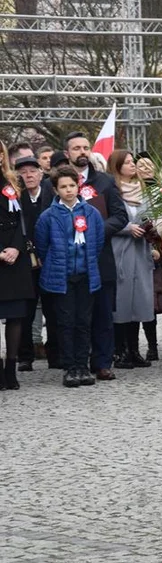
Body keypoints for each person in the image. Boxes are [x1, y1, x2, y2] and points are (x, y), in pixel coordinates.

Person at [38, 133, 127, 381]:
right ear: (67, 153)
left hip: (96, 261)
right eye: (76, 148)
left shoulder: (106, 182)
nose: (82, 151)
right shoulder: (49, 191)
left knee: (97, 317)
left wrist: (89, 235)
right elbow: (43, 235)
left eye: (86, 147)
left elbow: (118, 218)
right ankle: (71, 365)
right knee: (67, 319)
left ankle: (98, 363)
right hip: (63, 268)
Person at [35, 166, 105, 388]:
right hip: (61, 278)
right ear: (56, 189)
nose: (68, 190)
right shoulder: (48, 216)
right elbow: (42, 246)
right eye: (63, 187)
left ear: (79, 186)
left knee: (84, 322)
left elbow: (98, 242)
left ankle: (83, 365)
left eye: (72, 185)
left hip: (85, 275)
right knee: (66, 323)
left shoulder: (91, 213)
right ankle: (69, 367)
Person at [107, 149, 156, 371]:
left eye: (131, 161)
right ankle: (120, 350)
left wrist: (151, 227)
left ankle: (135, 349)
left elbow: (151, 215)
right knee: (122, 301)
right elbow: (107, 220)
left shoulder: (143, 188)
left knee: (139, 301)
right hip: (121, 251)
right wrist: (127, 228)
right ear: (117, 166)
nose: (132, 165)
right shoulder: (112, 189)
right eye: (127, 162)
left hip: (141, 250)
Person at [0, 146, 36, 391]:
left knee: (15, 316)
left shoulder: (15, 182)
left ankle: (11, 368)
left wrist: (15, 247)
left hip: (16, 255)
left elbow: (27, 220)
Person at [15, 156, 51, 373]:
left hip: (49, 258)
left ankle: (56, 353)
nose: (28, 175)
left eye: (32, 171)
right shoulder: (15, 198)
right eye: (23, 172)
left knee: (54, 309)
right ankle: (25, 356)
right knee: (25, 311)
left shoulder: (51, 194)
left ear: (40, 173)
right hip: (25, 261)